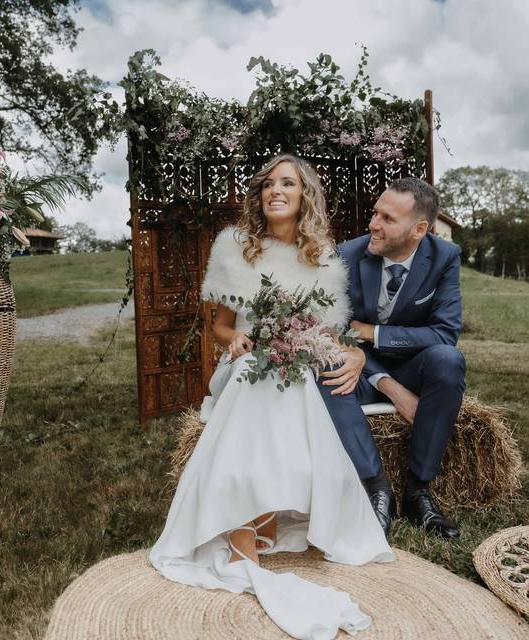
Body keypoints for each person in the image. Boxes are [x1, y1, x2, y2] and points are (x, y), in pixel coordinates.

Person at [149, 154, 394, 640]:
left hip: (294, 362)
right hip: (243, 362)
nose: (276, 191)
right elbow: (220, 327)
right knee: (251, 376)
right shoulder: (236, 248)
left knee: (297, 380)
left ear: (305, 196)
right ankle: (242, 523)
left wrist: (346, 352)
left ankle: (266, 511)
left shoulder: (322, 259)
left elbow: (330, 332)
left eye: (288, 184)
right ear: (259, 195)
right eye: (268, 185)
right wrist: (237, 340)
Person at [318, 176, 466, 540]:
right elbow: (334, 330)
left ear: (419, 229)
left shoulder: (445, 258)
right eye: (375, 213)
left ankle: (418, 492)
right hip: (362, 370)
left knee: (448, 360)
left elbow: (444, 332)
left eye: (387, 218)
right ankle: (377, 489)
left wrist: (373, 333)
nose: (373, 224)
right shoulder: (347, 256)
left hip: (415, 367)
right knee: (326, 366)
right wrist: (389, 385)